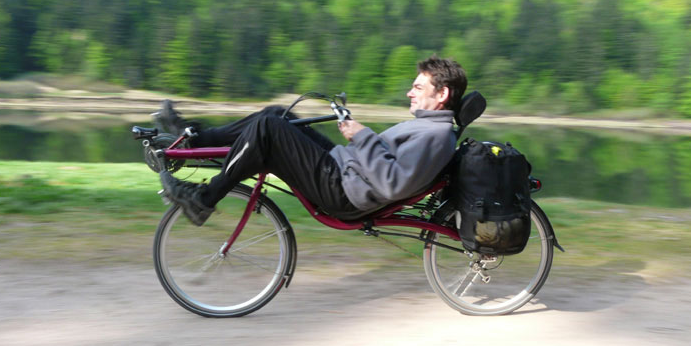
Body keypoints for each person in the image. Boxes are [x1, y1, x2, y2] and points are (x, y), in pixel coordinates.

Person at [158, 55, 467, 226]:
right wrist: (359, 138)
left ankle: (203, 199)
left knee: (269, 128)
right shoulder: (430, 129)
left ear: (442, 94)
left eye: (417, 87)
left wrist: (363, 136)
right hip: (344, 169)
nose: (409, 93)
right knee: (278, 113)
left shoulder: (436, 137)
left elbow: (393, 184)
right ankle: (193, 143)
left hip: (344, 192)